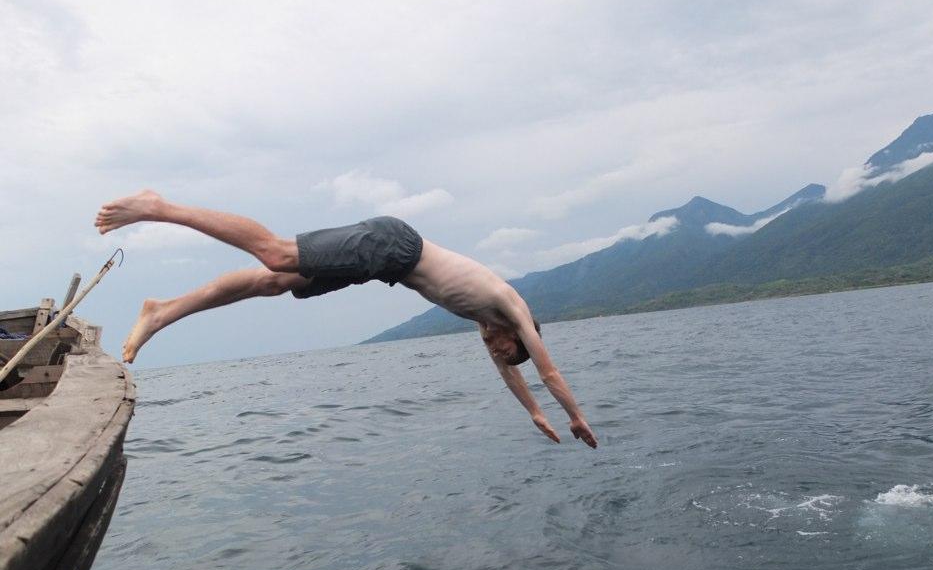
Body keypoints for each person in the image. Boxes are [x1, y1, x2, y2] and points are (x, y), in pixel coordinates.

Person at [94, 191, 598, 448]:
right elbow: (546, 369)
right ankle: (157, 207)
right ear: (517, 334)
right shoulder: (510, 305)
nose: (493, 350)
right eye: (501, 348)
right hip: (393, 245)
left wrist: (533, 412)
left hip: (382, 266)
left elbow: (514, 374)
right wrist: (574, 415)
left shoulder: (487, 320)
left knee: (271, 283)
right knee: (274, 255)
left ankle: (162, 311)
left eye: (496, 351)